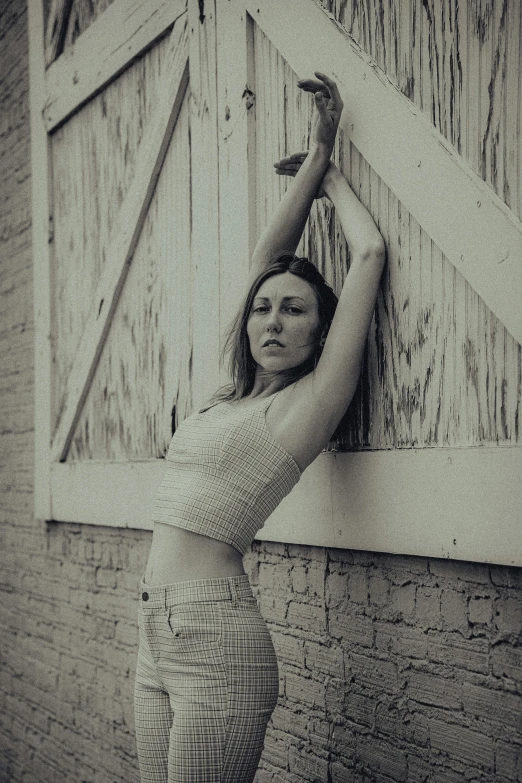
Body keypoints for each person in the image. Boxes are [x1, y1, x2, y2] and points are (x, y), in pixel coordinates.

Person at [134, 73, 385, 783]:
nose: (273, 319)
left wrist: (331, 177)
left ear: (320, 332)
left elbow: (368, 255)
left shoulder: (307, 405)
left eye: (296, 310)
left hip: (217, 642)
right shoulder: (226, 397)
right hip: (153, 632)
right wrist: (311, 158)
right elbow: (261, 265)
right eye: (262, 308)